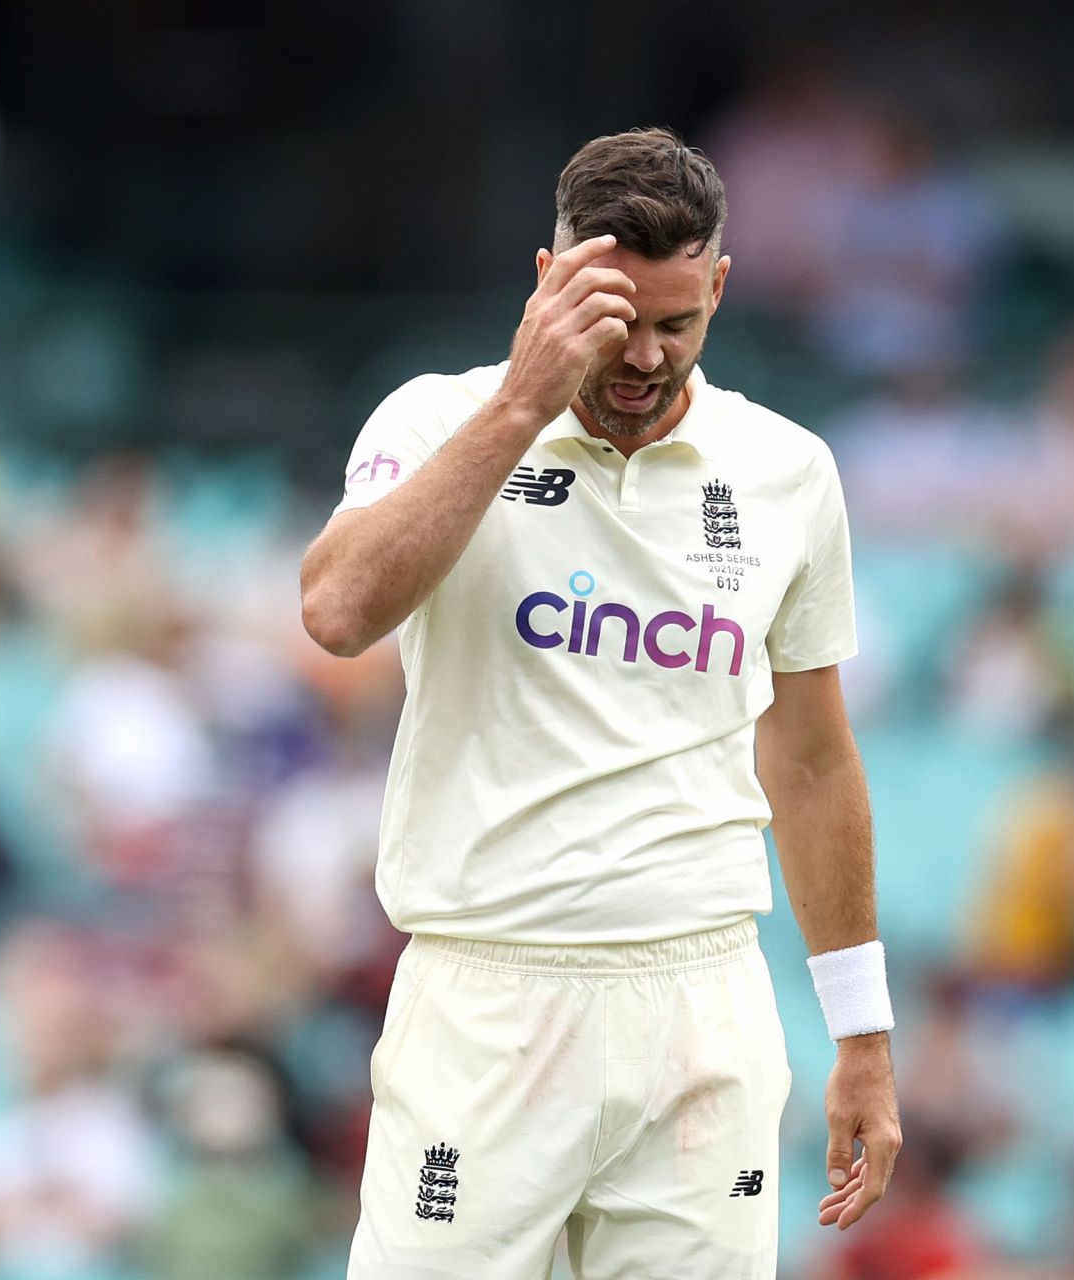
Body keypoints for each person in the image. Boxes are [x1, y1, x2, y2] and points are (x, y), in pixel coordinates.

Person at [300, 127, 901, 1278]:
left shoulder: (787, 471)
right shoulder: (438, 419)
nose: (643, 357)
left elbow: (814, 759)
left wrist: (863, 1034)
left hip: (702, 999)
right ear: (548, 280)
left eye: (678, 324)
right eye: (616, 321)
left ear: (720, 288)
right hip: (490, 992)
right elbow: (336, 611)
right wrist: (525, 403)